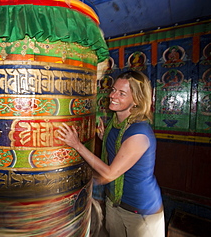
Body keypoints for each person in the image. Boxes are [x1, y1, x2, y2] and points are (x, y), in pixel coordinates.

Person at [58, 71, 164, 237]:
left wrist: (77, 145)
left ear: (136, 100)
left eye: (122, 94)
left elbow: (109, 173)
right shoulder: (115, 124)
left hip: (140, 211)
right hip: (114, 203)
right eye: (113, 90)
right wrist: (105, 138)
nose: (113, 96)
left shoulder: (139, 133)